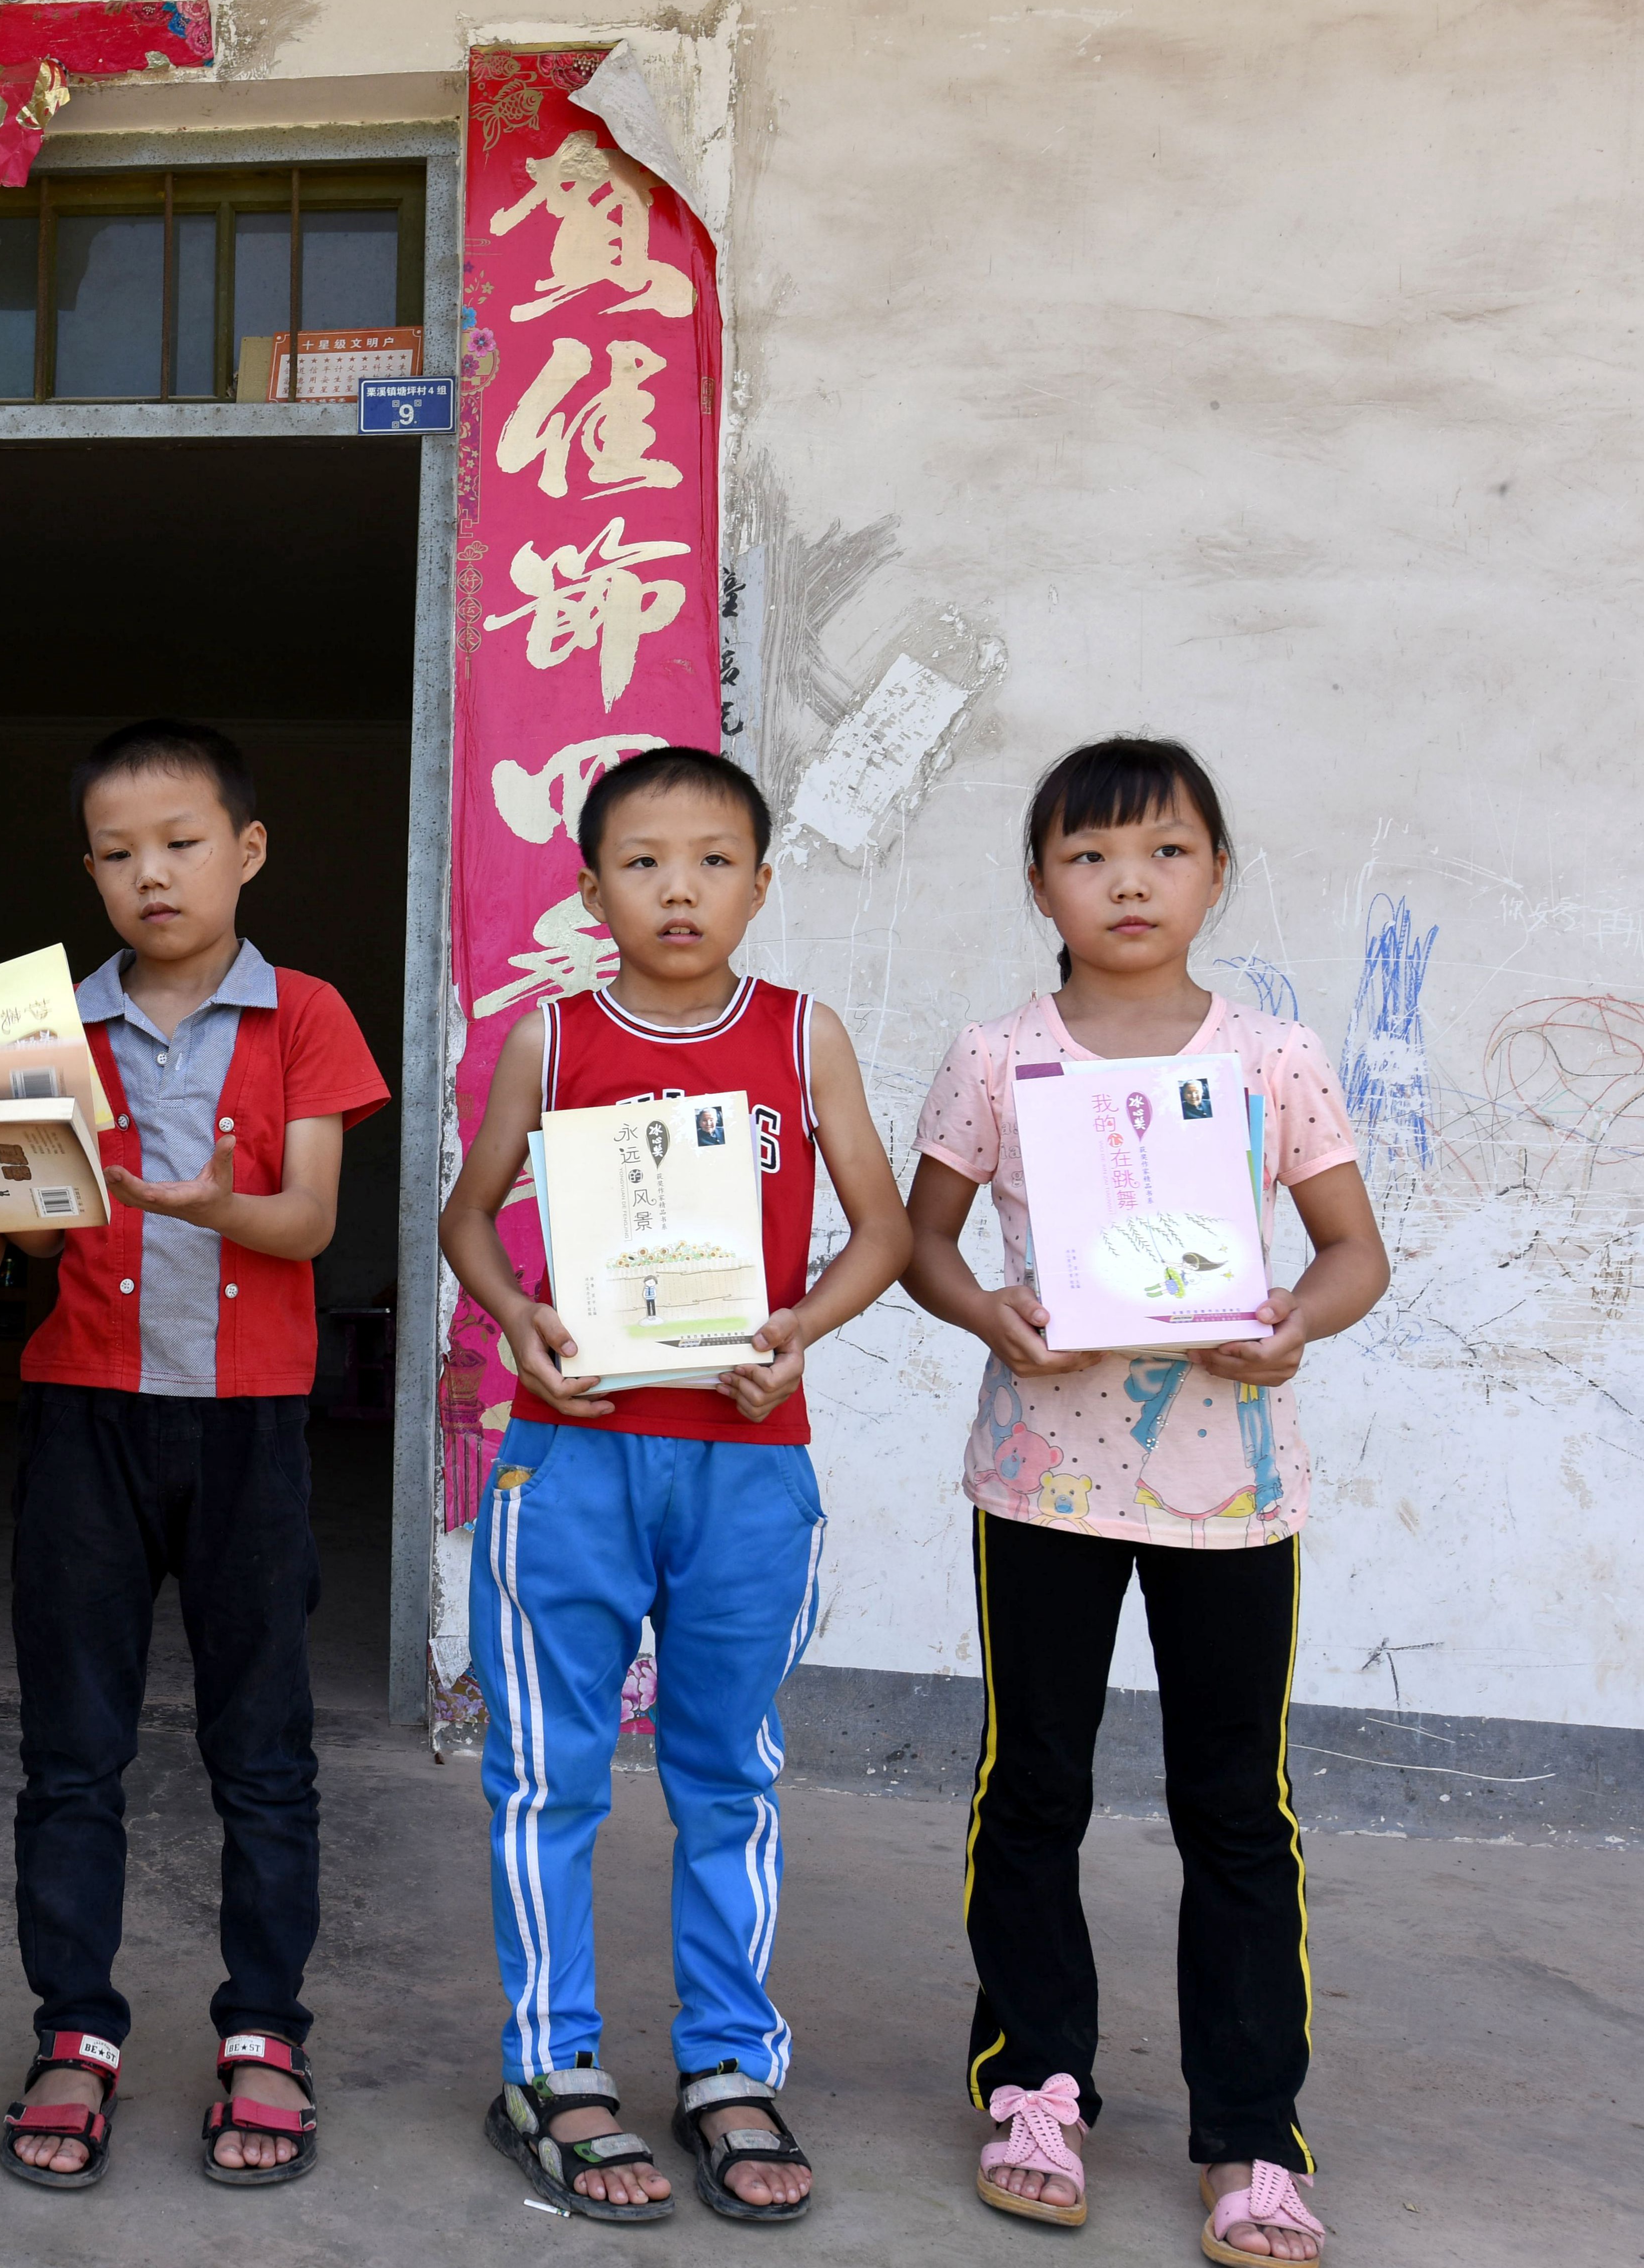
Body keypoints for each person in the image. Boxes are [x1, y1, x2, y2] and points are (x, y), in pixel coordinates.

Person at [901, 737, 1388, 2265]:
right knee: (1033, 1785)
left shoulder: (1271, 1056)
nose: (1131, 881)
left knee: (1235, 1804)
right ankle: (1034, 2085)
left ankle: (1252, 2133)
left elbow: (1354, 1252)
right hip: (1042, 1480)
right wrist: (991, 1314)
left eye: (1167, 851)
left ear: (1217, 873)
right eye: (1091, 854)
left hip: (1230, 1490)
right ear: (1039, 882)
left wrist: (1298, 1321)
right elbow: (925, 1243)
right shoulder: (999, 1056)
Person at [437, 746, 913, 2226]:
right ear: (592, 892)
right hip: (573, 1452)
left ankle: (727, 2063)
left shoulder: (803, 1035)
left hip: (748, 1457)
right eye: (643, 862)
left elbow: (885, 1231)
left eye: (714, 861)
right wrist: (520, 1320)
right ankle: (552, 2066)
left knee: (728, 1773)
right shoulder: (551, 1039)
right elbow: (469, 1218)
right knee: (548, 1774)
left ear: (760, 885)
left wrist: (800, 1331)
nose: (680, 889)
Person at [0, 721, 387, 2190]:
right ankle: (74, 2031)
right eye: (117, 852)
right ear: (90, 870)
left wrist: (217, 1206)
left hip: (250, 1427)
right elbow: (34, 1235)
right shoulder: (52, 1025)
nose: (150, 873)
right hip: (83, 1416)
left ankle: (265, 2032)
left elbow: (310, 1222)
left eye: (181, 843)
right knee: (71, 1750)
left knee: (263, 1749)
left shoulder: (308, 1015)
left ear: (248, 850)